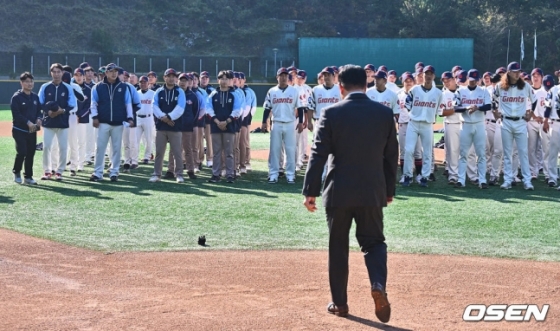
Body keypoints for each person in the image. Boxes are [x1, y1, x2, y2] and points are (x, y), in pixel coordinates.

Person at [302, 64, 397, 323]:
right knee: (374, 243)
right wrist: (389, 190)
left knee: (338, 246)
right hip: (371, 190)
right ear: (366, 85)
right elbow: (391, 157)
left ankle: (340, 304)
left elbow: (318, 154)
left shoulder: (330, 113)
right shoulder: (384, 114)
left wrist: (310, 191)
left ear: (340, 87)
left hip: (338, 191)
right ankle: (378, 284)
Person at [492, 62, 536, 190]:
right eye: (515, 71)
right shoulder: (500, 86)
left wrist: (531, 113)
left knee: (523, 152)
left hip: (521, 122)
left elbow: (535, 100)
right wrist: (495, 112)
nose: (518, 73)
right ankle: (507, 180)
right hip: (506, 121)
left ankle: (527, 181)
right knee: (507, 153)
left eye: (519, 71)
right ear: (509, 72)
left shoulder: (525, 86)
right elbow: (493, 98)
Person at [89, 63, 135, 182]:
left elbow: (128, 103)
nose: (114, 73)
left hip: (118, 122)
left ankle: (114, 172)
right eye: (111, 71)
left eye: (116, 71)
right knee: (100, 148)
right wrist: (94, 117)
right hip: (103, 122)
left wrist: (130, 117)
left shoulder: (124, 87)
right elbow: (93, 103)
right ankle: (98, 172)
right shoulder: (98, 87)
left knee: (116, 148)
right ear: (106, 72)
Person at [262, 67, 305, 184]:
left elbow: (300, 107)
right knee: (275, 150)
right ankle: (273, 174)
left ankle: (290, 175)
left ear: (288, 77)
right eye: (281, 75)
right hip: (276, 123)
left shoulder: (294, 91)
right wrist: (263, 122)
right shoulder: (272, 91)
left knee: (291, 150)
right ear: (277, 77)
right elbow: (267, 108)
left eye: (286, 75)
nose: (284, 77)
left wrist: (301, 122)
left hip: (290, 123)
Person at [402, 65, 443, 187]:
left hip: (427, 124)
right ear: (422, 75)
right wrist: (413, 114)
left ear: (434, 76)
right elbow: (407, 104)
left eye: (430, 74)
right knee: (408, 150)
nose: (428, 76)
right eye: (426, 74)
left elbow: (438, 110)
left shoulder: (438, 93)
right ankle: (408, 176)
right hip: (413, 123)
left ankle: (424, 177)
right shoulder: (415, 90)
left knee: (427, 152)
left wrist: (432, 118)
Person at [39, 63, 77, 181]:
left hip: (62, 122)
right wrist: (48, 111)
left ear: (62, 73)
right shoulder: (45, 87)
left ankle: (60, 171)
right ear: (51, 73)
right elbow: (40, 102)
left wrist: (62, 111)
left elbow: (73, 104)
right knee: (47, 147)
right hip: (49, 122)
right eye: (54, 72)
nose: (56, 74)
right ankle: (47, 171)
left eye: (58, 72)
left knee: (63, 147)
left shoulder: (68, 87)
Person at [454, 69, 492, 189]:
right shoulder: (460, 90)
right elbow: (455, 107)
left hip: (479, 123)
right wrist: (467, 107)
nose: (473, 82)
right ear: (467, 79)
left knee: (481, 154)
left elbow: (489, 105)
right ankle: (461, 180)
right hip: (466, 124)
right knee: (463, 153)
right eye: (471, 80)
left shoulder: (484, 90)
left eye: (475, 80)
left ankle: (482, 180)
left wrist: (477, 107)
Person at [149, 68, 186, 183]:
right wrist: (164, 118)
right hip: (161, 126)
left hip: (175, 126)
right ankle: (157, 174)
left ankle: (179, 174)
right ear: (164, 78)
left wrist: (169, 117)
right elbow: (154, 106)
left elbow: (180, 108)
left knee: (177, 152)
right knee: (159, 152)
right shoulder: (159, 91)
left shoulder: (180, 91)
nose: (171, 78)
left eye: (173, 76)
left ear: (175, 78)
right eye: (168, 76)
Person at [206, 70, 242, 183]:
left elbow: (238, 110)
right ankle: (216, 174)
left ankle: (230, 174)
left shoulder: (234, 94)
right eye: (222, 78)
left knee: (229, 152)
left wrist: (226, 122)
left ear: (231, 80)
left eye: (227, 78)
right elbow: (208, 109)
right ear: (218, 80)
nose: (224, 81)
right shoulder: (213, 94)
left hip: (229, 126)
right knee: (216, 152)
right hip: (215, 126)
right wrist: (217, 121)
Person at [11, 72, 42, 185]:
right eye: (27, 82)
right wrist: (28, 122)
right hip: (19, 130)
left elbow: (39, 110)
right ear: (21, 83)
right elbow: (17, 114)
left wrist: (39, 118)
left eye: (31, 81)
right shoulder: (16, 97)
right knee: (22, 151)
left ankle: (28, 177)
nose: (29, 84)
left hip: (32, 130)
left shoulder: (35, 97)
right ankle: (17, 171)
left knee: (31, 153)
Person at [438, 71, 462, 184]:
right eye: (444, 81)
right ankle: (453, 175)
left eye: (448, 80)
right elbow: (441, 112)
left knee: (469, 152)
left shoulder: (462, 91)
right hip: (451, 124)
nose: (446, 83)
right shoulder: (443, 95)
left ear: (454, 79)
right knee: (452, 152)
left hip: (464, 124)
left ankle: (469, 175)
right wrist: (455, 109)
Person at [543, 75, 560, 188]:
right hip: (555, 122)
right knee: (553, 152)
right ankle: (552, 178)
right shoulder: (554, 89)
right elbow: (548, 106)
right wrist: (545, 121)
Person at [135, 76, 155, 164]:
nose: (142, 84)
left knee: (149, 139)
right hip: (138, 117)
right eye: (141, 82)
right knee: (135, 139)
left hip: (149, 118)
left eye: (144, 82)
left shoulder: (153, 94)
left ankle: (147, 157)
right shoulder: (136, 93)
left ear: (148, 83)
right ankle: (134, 158)